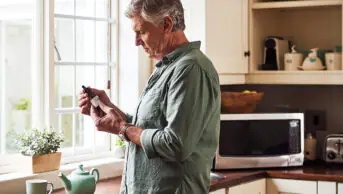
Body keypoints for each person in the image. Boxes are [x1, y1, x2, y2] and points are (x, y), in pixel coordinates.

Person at [79, 0, 220, 193]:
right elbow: (150, 128)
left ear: (166, 24)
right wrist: (109, 109)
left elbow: (175, 144)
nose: (136, 41)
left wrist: (122, 128)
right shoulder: (166, 67)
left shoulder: (191, 69)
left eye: (142, 32)